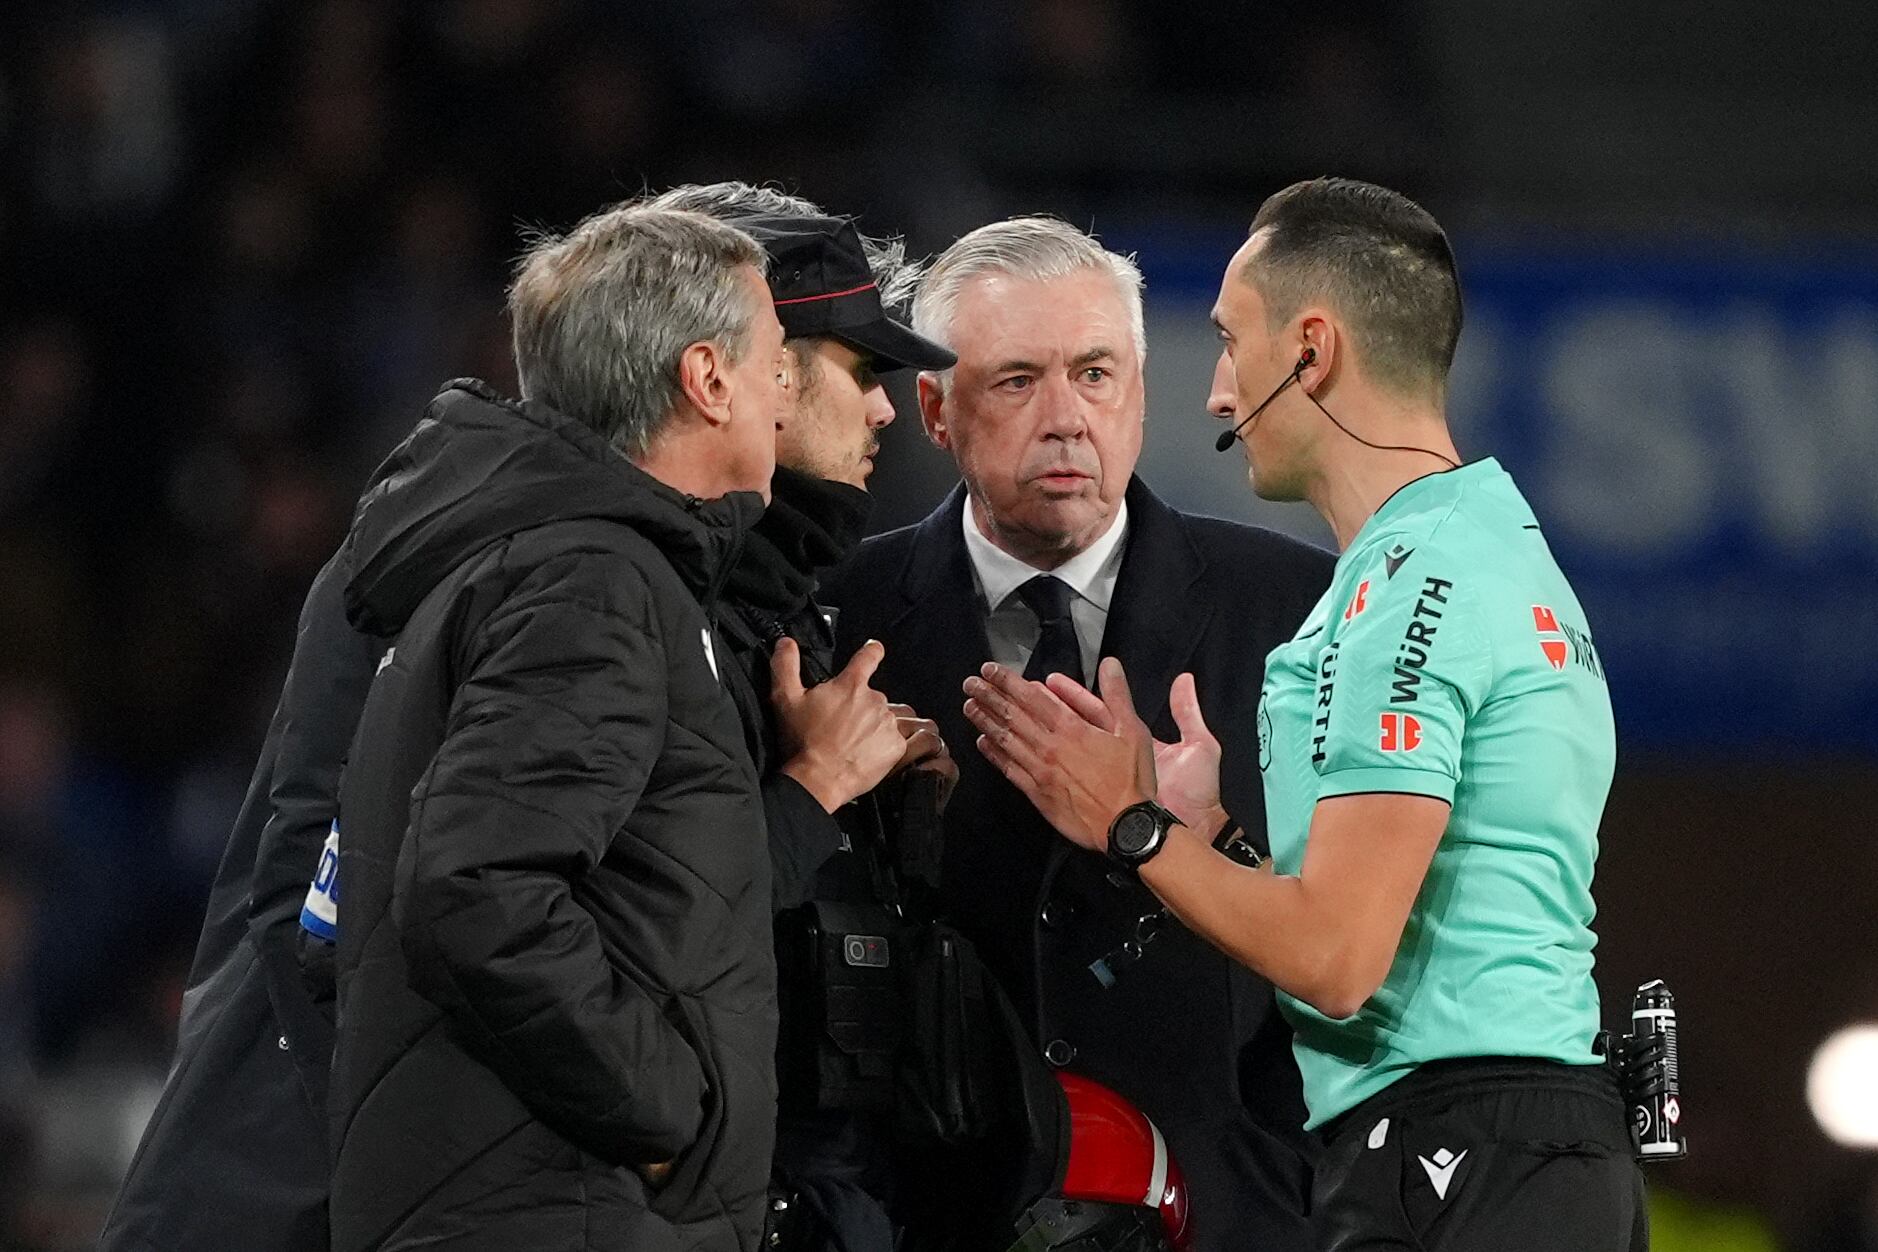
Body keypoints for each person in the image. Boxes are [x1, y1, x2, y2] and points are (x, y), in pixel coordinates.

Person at [962, 177, 1647, 1252]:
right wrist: (1213, 840)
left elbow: (1337, 960)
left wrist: (1130, 826)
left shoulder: (1411, 590)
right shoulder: (1473, 545)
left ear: (1311, 351)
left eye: (1231, 343)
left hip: (1459, 1156)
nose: (1216, 394)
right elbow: (1398, 919)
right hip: (1502, 1150)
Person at [819, 216, 1334, 1251]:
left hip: (1232, 1216)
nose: (1065, 420)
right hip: (935, 1221)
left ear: (1139, 394)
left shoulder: (1297, 609)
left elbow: (1357, 940)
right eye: (1017, 381)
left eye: (1095, 374)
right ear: (934, 410)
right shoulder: (839, 616)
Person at [321, 204, 787, 1252]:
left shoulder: (511, 563)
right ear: (708, 379)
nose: (787, 390)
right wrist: (665, 1114)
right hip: (556, 1211)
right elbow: (474, 886)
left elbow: (334, 923)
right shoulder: (593, 580)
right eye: (776, 359)